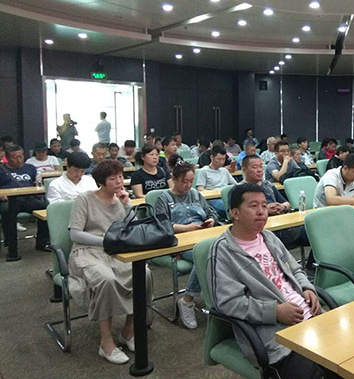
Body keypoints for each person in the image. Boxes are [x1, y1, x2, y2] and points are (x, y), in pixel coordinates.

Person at [207, 183, 331, 379]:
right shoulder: (223, 251)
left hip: (311, 317)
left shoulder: (269, 237)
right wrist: (275, 312)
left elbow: (295, 269)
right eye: (253, 206)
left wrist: (307, 288)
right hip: (277, 333)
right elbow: (228, 303)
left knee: (350, 361)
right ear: (235, 213)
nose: (261, 212)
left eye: (264, 206)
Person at [68, 160, 151, 364]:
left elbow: (132, 230)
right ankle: (106, 343)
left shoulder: (121, 200)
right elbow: (75, 234)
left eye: (121, 177)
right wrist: (105, 241)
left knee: (144, 274)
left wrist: (127, 205)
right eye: (113, 178)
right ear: (101, 182)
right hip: (88, 251)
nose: (119, 181)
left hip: (116, 252)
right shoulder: (85, 199)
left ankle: (128, 331)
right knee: (106, 280)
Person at [154, 155, 219, 330]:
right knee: (207, 256)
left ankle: (219, 300)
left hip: (202, 237)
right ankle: (188, 300)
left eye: (191, 181)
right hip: (180, 243)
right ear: (174, 179)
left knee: (220, 253)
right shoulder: (164, 198)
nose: (188, 185)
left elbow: (211, 212)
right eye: (184, 181)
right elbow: (161, 225)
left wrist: (211, 220)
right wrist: (184, 228)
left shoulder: (195, 195)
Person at [0, 145, 50, 258]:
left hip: (27, 198)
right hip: (9, 200)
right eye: (14, 157)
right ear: (7, 158)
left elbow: (35, 183)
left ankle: (42, 242)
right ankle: (12, 250)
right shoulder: (1, 169)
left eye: (21, 156)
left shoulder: (30, 168)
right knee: (8, 214)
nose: (19, 160)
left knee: (47, 208)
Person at [196, 145, 237, 218]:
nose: (222, 162)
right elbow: (200, 189)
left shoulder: (224, 171)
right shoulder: (203, 171)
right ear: (212, 157)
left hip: (226, 197)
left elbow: (235, 185)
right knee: (229, 208)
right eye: (219, 159)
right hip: (212, 199)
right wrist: (213, 192)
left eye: (223, 159)